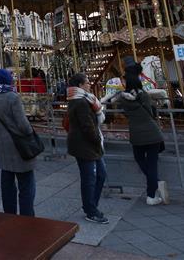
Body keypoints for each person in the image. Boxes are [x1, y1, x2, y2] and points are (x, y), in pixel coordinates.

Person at [0, 68, 36, 216]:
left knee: (7, 184)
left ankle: (9, 214)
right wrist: (30, 132)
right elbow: (22, 124)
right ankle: (27, 216)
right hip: (18, 147)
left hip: (2, 146)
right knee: (26, 185)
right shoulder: (12, 97)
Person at [63, 74, 108, 224]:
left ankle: (91, 205)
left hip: (89, 144)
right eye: (87, 83)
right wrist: (96, 139)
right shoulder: (80, 102)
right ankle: (91, 209)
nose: (90, 85)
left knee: (100, 174)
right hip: (85, 145)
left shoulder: (83, 99)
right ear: (81, 85)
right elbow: (87, 126)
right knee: (90, 177)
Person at [118, 74, 168, 205]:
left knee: (140, 159)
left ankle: (155, 183)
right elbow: (151, 112)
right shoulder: (144, 95)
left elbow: (124, 112)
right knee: (152, 164)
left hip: (136, 134)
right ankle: (151, 195)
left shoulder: (123, 99)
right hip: (152, 133)